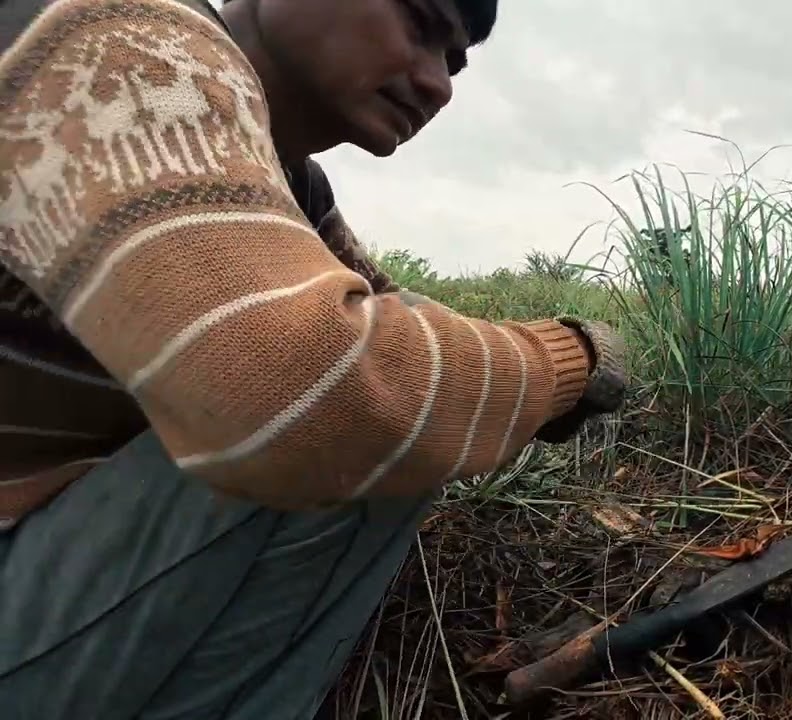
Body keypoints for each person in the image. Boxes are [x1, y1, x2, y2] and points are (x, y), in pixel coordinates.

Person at [0, 0, 627, 717]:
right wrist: (569, 358)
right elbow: (323, 383)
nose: (441, 84)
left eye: (455, 63)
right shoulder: (119, 46)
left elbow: (402, 327)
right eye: (420, 24)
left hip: (42, 587)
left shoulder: (289, 184)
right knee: (366, 408)